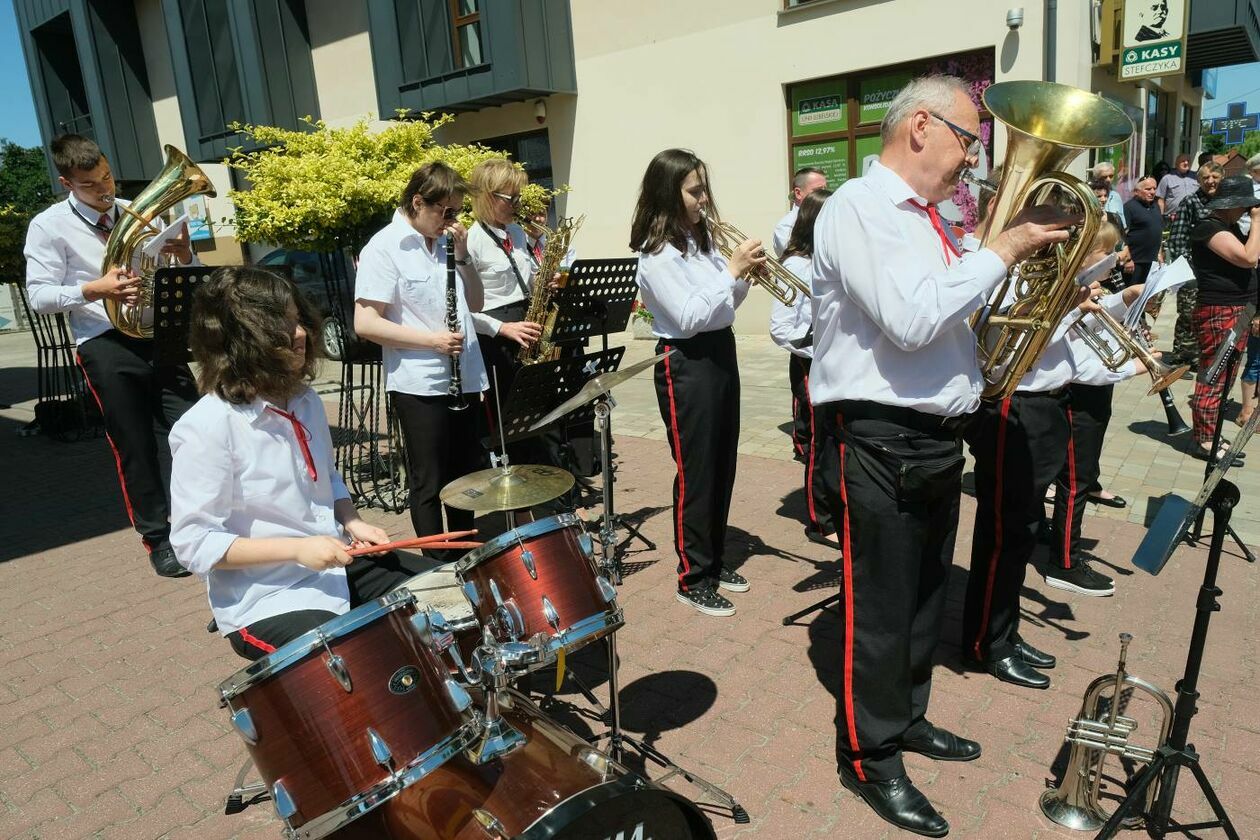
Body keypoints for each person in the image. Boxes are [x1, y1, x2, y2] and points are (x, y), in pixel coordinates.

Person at [810, 75, 1074, 836]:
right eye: (970, 138)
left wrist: (1011, 270)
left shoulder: (926, 219)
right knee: (882, 613)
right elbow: (913, 320)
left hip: (931, 440)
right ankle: (868, 753)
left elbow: (955, 312)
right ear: (919, 126)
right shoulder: (859, 210)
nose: (976, 157)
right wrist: (1005, 244)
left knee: (925, 598)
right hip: (880, 440)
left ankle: (907, 718)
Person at [169, 266, 412, 658]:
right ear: (242, 340)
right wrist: (297, 549)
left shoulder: (306, 400)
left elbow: (327, 479)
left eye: (298, 322)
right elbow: (193, 544)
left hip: (335, 564)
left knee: (442, 595)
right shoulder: (206, 426)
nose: (300, 335)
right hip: (266, 596)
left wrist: (352, 521)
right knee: (355, 657)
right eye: (282, 327)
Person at [24, 134, 199, 578]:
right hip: (103, 341)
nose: (104, 189)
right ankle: (158, 538)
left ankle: (204, 521)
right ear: (67, 182)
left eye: (107, 176)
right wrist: (94, 288)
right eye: (90, 184)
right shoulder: (48, 226)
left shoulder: (135, 209)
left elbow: (169, 268)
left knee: (198, 429)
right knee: (134, 444)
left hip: (156, 332)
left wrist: (183, 254)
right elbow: (40, 294)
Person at [631, 148, 763, 618]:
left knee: (722, 462)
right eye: (695, 190)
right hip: (685, 360)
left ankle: (715, 558)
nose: (704, 198)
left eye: (704, 187)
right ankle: (693, 577)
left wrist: (745, 277)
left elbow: (723, 308)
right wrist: (731, 271)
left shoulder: (699, 242)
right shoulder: (657, 254)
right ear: (670, 192)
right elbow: (688, 317)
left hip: (719, 351)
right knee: (696, 470)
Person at [353, 162, 488, 556]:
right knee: (429, 481)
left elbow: (477, 303)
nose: (453, 220)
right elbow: (365, 322)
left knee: (466, 478)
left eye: (458, 212)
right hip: (420, 383)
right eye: (447, 211)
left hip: (465, 376)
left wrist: (463, 255)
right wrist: (431, 341)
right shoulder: (384, 247)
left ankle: (467, 557)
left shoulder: (447, 244)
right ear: (418, 202)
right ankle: (436, 564)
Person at [1046, 222, 1145, 597]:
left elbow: (1095, 320)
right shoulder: (1069, 290)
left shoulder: (1089, 288)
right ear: (1087, 257)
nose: (1116, 258)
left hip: (1095, 393)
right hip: (1081, 394)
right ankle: (1064, 562)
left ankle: (1059, 542)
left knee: (1081, 476)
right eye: (1108, 253)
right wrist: (1130, 368)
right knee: (1076, 481)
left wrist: (1127, 297)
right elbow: (1078, 356)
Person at [768, 189, 837, 547]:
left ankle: (837, 508)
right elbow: (781, 329)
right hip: (812, 365)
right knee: (819, 444)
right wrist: (818, 340)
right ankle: (819, 520)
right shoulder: (795, 265)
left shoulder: (834, 260)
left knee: (838, 441)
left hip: (839, 364)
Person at [1187, 176, 1260, 460]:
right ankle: (1204, 440)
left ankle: (1211, 433)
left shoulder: (1227, 227)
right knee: (1214, 375)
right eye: (1244, 206)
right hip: (1220, 311)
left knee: (1225, 376)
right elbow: (1248, 257)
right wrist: (1256, 222)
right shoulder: (1208, 227)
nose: (1247, 211)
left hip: (1238, 310)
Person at [465, 158, 543, 410]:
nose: (517, 205)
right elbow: (463, 309)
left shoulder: (518, 232)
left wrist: (544, 281)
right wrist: (501, 328)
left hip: (526, 325)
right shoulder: (471, 241)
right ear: (487, 196)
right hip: (496, 337)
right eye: (510, 198)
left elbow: (527, 280)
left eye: (518, 197)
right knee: (510, 413)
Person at [1165, 162, 1225, 368]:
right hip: (1193, 270)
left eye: (1214, 176)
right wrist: (1189, 267)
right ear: (1199, 180)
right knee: (1188, 313)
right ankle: (1182, 357)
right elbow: (1177, 238)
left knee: (1208, 314)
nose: (1210, 181)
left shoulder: (1225, 202)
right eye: (1205, 177)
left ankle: (1201, 356)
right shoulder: (1190, 201)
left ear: (1221, 177)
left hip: (1218, 272)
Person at [772, 167, 828, 257]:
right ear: (798, 193)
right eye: (818, 190)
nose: (824, 194)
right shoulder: (786, 226)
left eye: (825, 189)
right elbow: (796, 259)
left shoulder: (827, 216)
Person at [1123, 175, 1163, 287]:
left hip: (1152, 261)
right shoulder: (1129, 207)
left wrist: (1159, 254)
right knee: (1133, 295)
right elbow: (1123, 235)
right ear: (1137, 191)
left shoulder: (1155, 206)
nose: (1152, 192)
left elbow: (1158, 230)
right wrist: (1128, 259)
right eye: (1148, 189)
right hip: (1135, 262)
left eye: (1154, 188)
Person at [1158, 154, 1198, 218]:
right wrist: (1161, 216)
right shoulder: (1167, 178)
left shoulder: (1197, 177)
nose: (1186, 163)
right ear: (1176, 164)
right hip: (1172, 217)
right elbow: (1160, 200)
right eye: (1183, 161)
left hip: (1193, 216)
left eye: (1188, 161)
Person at [1091, 161, 1127, 228]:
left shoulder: (1116, 196)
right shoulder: (1089, 194)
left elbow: (1122, 223)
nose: (1108, 180)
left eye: (1111, 176)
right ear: (1096, 177)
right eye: (1104, 177)